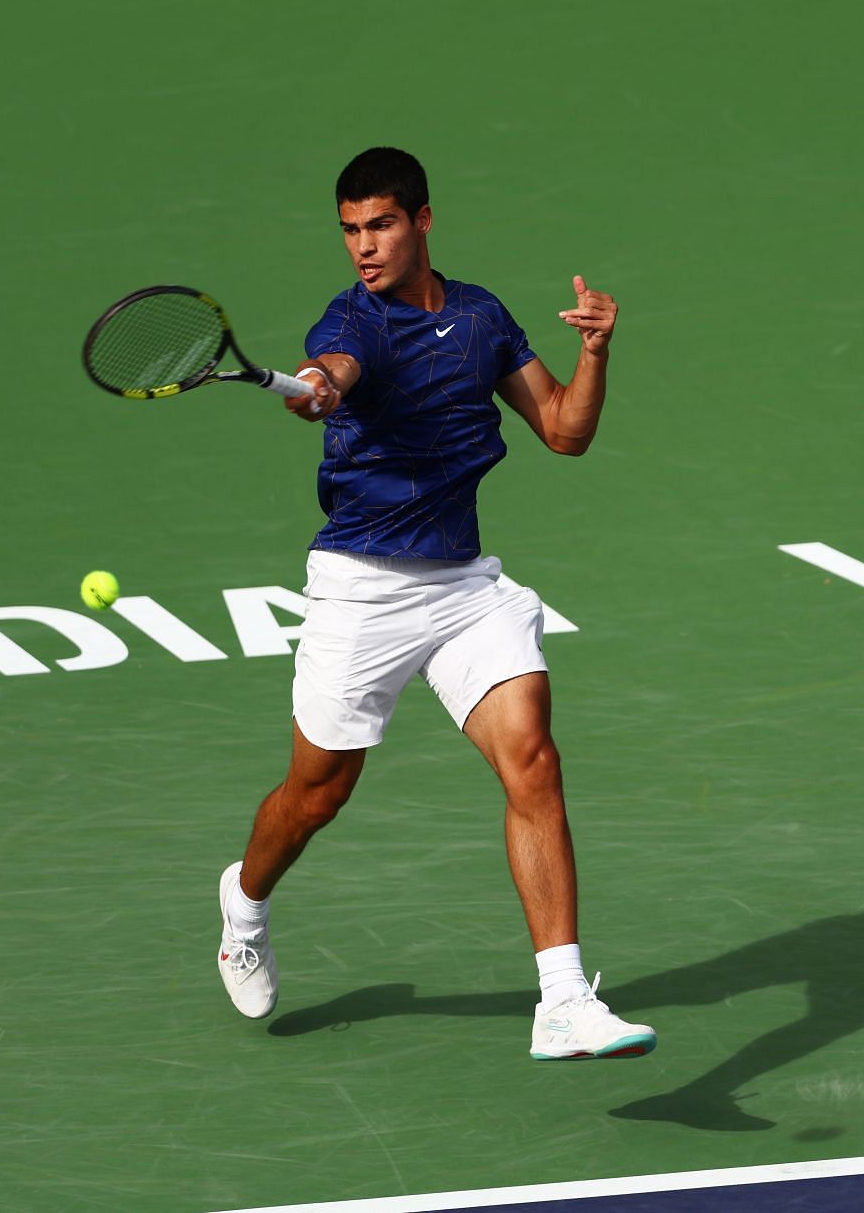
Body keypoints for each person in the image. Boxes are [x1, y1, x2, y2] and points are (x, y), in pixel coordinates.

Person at [214, 146, 654, 1062]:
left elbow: (566, 432)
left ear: (421, 221)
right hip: (360, 588)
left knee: (532, 755)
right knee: (317, 792)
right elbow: (333, 366)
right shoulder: (355, 322)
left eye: (379, 225)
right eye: (348, 230)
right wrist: (322, 386)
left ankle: (564, 999)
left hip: (461, 587)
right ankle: (245, 901)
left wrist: (595, 350)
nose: (363, 248)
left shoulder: (482, 316)